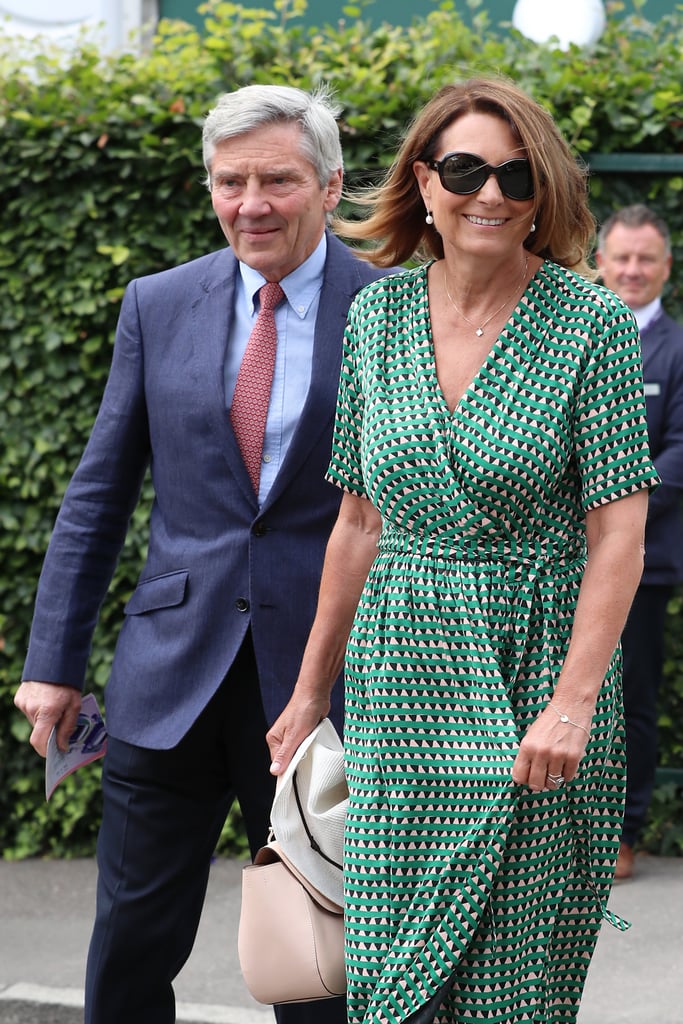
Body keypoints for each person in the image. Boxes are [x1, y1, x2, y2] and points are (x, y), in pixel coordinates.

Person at [266, 77, 659, 1024]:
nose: (489, 193)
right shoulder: (377, 316)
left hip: (536, 681)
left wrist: (570, 706)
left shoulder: (591, 323)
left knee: (513, 987)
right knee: (393, 975)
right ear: (424, 184)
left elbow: (619, 536)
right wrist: (311, 692)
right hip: (401, 684)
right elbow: (357, 522)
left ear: (542, 195)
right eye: (464, 169)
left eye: (515, 176)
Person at [14, 84, 389, 1024]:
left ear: (331, 184)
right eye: (230, 181)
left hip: (326, 686)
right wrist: (52, 667)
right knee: (133, 943)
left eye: (277, 180)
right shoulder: (158, 302)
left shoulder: (393, 311)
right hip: (166, 679)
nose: (250, 203)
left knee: (318, 955)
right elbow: (98, 492)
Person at [596, 204, 683, 880]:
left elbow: (679, 453)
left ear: (664, 267)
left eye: (643, 259)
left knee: (629, 699)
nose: (630, 270)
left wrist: (611, 506)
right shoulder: (569, 338)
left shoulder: (677, 350)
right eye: (619, 257)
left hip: (643, 562)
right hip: (559, 559)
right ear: (599, 261)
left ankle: (620, 835)